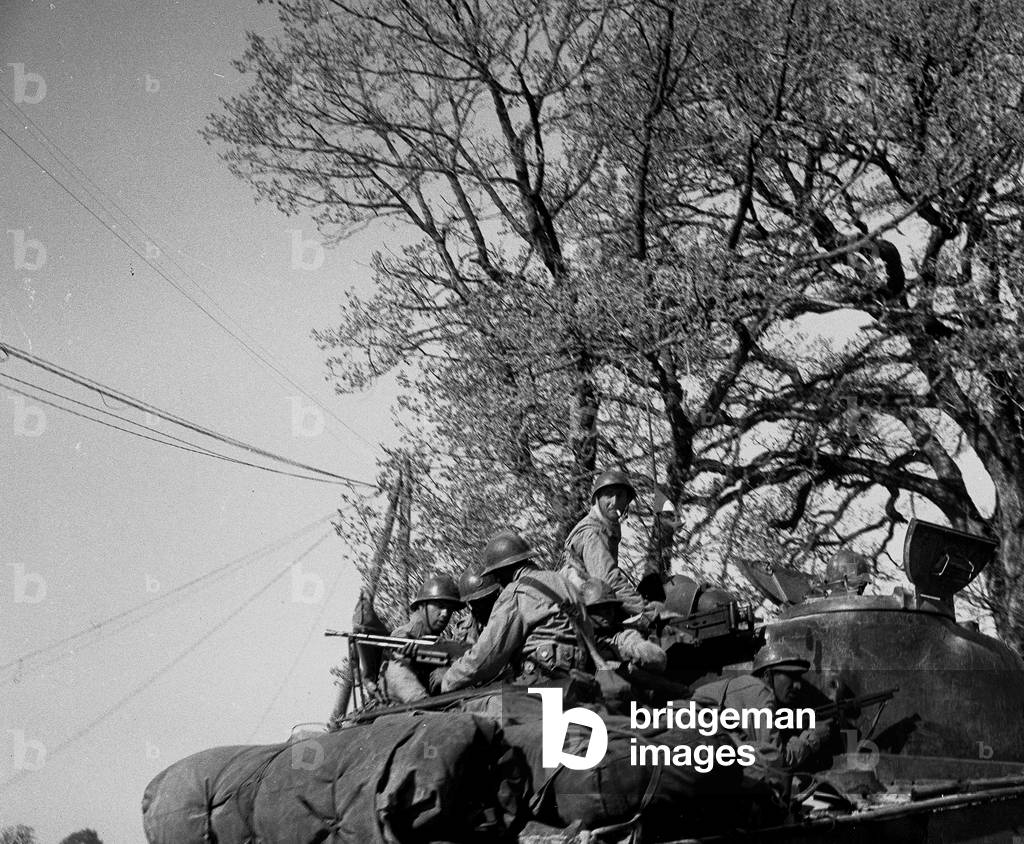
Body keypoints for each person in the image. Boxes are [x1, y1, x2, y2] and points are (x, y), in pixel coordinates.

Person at [439, 530, 594, 701]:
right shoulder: (563, 583)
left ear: (504, 570)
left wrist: (450, 679)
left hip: (541, 681)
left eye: (496, 574)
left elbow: (488, 655)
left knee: (472, 708)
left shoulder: (516, 592)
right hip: (578, 679)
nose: (498, 581)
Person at [692, 642, 836, 772]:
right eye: (791, 676)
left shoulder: (745, 687)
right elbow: (775, 760)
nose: (798, 686)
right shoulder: (761, 691)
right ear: (767, 675)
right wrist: (812, 737)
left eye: (799, 678)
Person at [561, 468, 646, 617]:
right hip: (580, 608)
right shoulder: (593, 532)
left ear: (627, 501)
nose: (614, 502)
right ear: (596, 500)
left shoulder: (606, 527)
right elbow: (608, 580)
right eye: (609, 495)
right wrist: (645, 610)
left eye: (620, 496)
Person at [382, 573, 463, 703]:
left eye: (450, 609)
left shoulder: (439, 641)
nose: (445, 614)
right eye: (440, 606)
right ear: (422, 606)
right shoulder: (403, 635)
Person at [456, 562, 501, 644]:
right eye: (477, 602)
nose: (483, 606)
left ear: (496, 595)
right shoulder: (463, 628)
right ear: (469, 603)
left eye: (487, 599)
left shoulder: (507, 618)